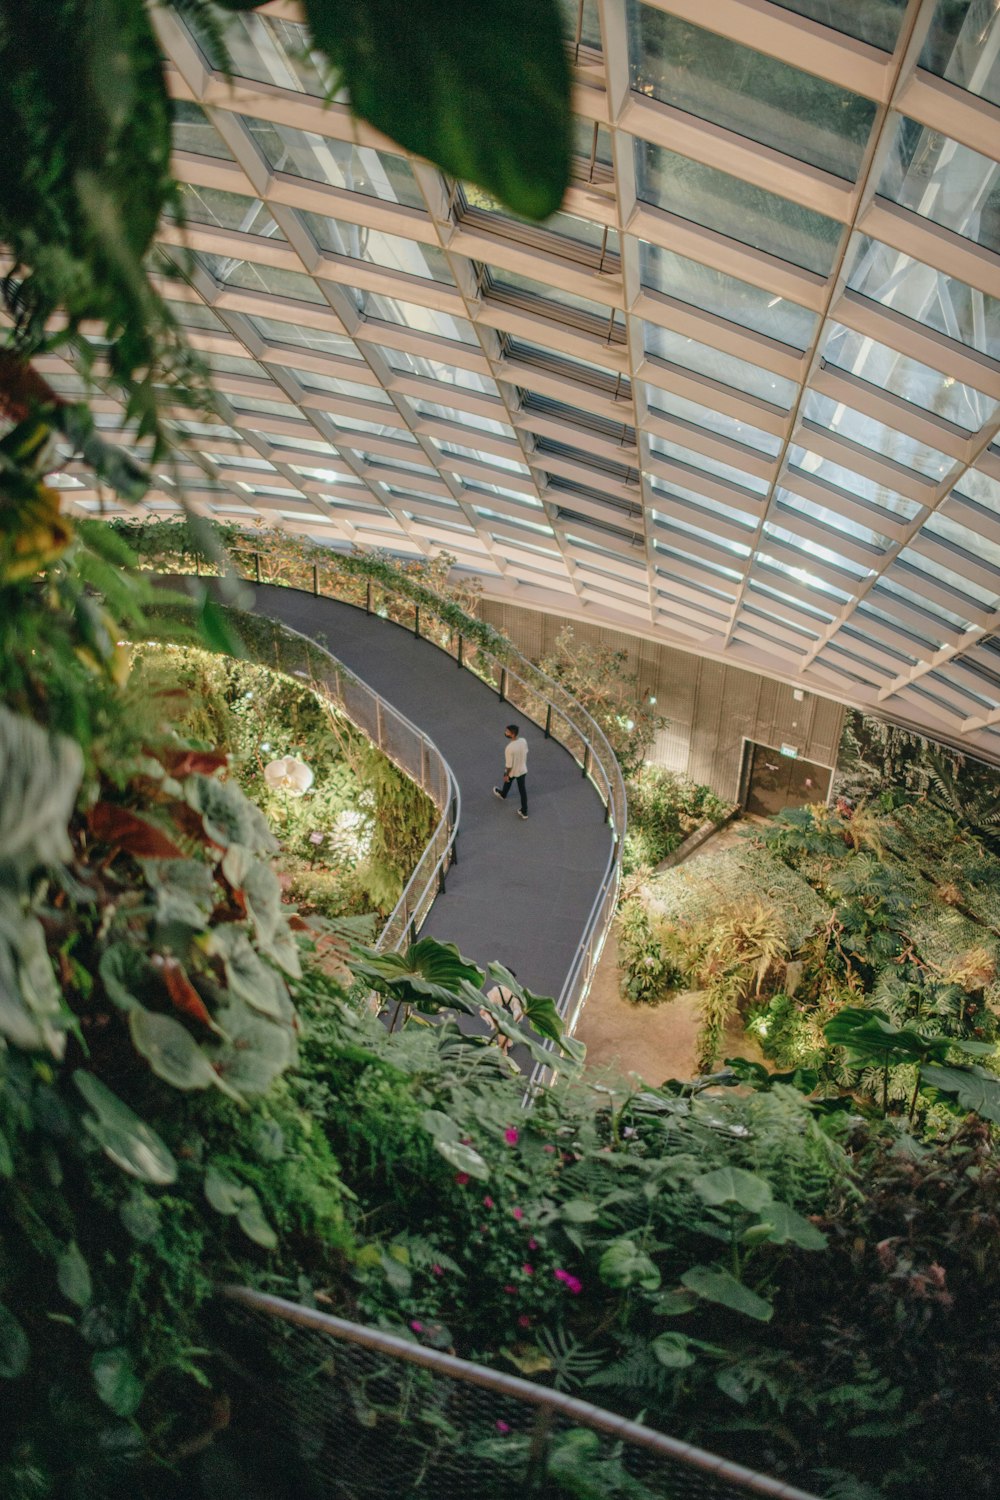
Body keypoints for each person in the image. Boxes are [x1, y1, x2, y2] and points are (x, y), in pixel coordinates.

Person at [481, 971, 524, 1056]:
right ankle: (509, 1044)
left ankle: (504, 1053)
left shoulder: (497, 990)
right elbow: (519, 1008)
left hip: (500, 1018)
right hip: (511, 1018)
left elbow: (488, 1004)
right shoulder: (517, 991)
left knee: (501, 1041)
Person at [493, 723, 528, 819]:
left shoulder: (509, 748)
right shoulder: (523, 741)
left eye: (507, 732)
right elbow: (525, 751)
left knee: (508, 779)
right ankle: (524, 811)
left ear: (512, 734)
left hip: (513, 771)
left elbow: (509, 765)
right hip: (522, 769)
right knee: (522, 791)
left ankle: (503, 794)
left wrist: (506, 774)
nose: (505, 733)